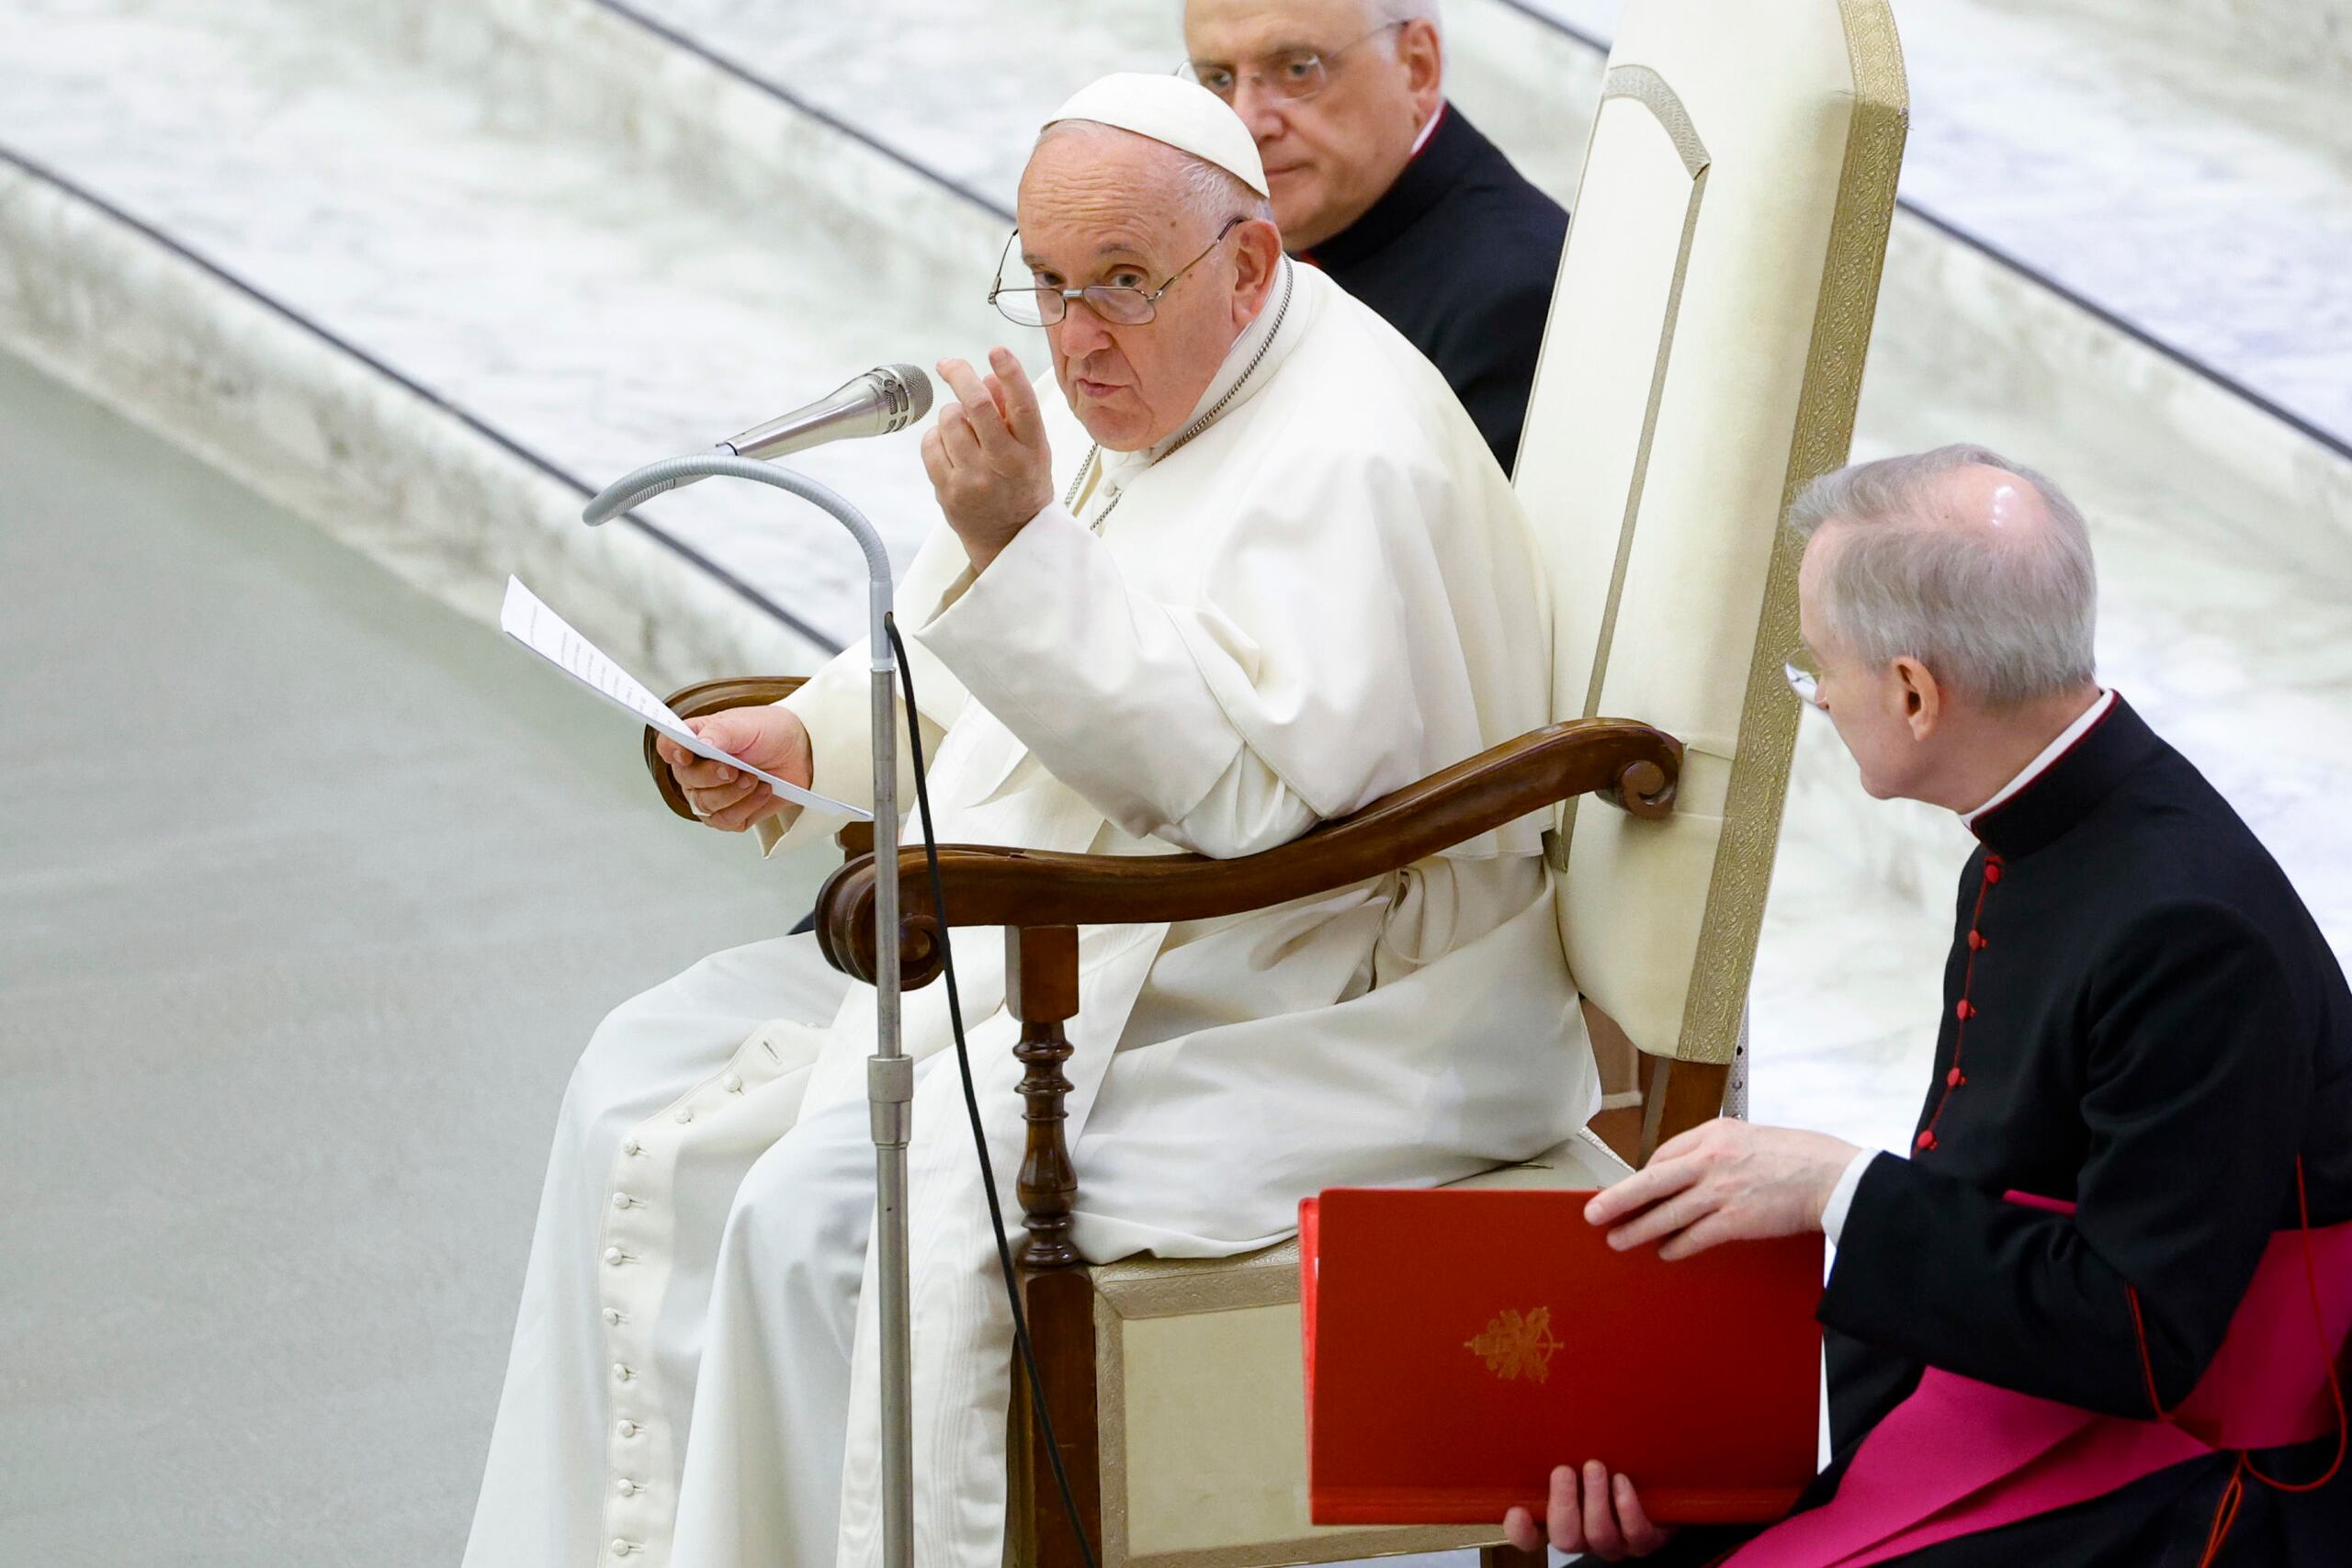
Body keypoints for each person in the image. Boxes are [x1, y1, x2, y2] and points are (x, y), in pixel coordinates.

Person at [467, 73, 1596, 1568]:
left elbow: (1256, 809)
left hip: (1290, 993)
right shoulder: (1181, 369)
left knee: (819, 1215)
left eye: (1118, 286)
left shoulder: (1355, 455)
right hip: (1111, 934)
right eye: (1048, 286)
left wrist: (1015, 541)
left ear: (1246, 265)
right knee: (631, 1074)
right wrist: (799, 736)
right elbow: (982, 668)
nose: (1073, 338)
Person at [1501, 446, 2352, 1564]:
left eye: (1818, 671)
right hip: (2021, 1390)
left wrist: (1835, 1188)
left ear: (1912, 692)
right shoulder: (2038, 828)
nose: (1815, 702)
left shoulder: (2184, 929)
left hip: (2197, 1468)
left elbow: (2144, 1334)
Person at [1182, 0, 1567, 473]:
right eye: (1218, 79)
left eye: (1298, 70)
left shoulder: (1518, 302)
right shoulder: (1252, 238)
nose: (1245, 121)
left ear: (1416, 67)